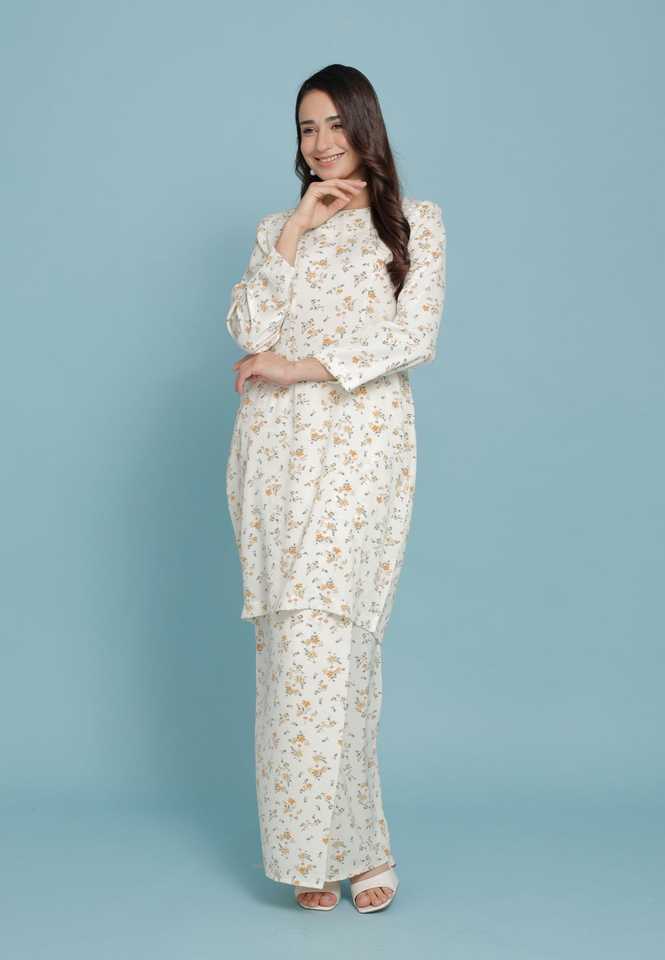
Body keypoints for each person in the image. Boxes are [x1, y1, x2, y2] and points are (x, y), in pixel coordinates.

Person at [225, 63, 446, 913]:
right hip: (274, 454)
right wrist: (294, 229)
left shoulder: (416, 224)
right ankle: (310, 855)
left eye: (332, 124)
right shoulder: (277, 229)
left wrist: (297, 367)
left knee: (342, 645)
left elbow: (412, 337)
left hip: (360, 450)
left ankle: (360, 845)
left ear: (364, 124)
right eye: (305, 128)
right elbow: (248, 328)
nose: (319, 143)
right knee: (291, 652)